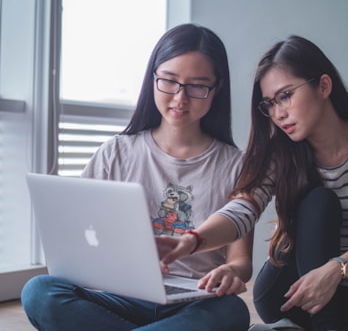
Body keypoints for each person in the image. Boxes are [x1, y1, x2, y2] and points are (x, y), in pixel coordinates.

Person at [21, 23, 254, 331]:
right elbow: (78, 238)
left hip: (195, 300)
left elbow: (241, 261)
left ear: (217, 88)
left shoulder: (237, 166)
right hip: (123, 297)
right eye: (169, 82)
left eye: (197, 86)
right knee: (39, 292)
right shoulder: (115, 153)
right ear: (152, 78)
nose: (180, 99)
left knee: (232, 311)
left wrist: (231, 272)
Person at [157, 35, 348, 330]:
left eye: (286, 95)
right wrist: (192, 240)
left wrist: (337, 269)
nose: (278, 114)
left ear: (324, 86)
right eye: (269, 104)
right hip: (288, 291)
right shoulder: (282, 150)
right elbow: (243, 208)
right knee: (319, 200)